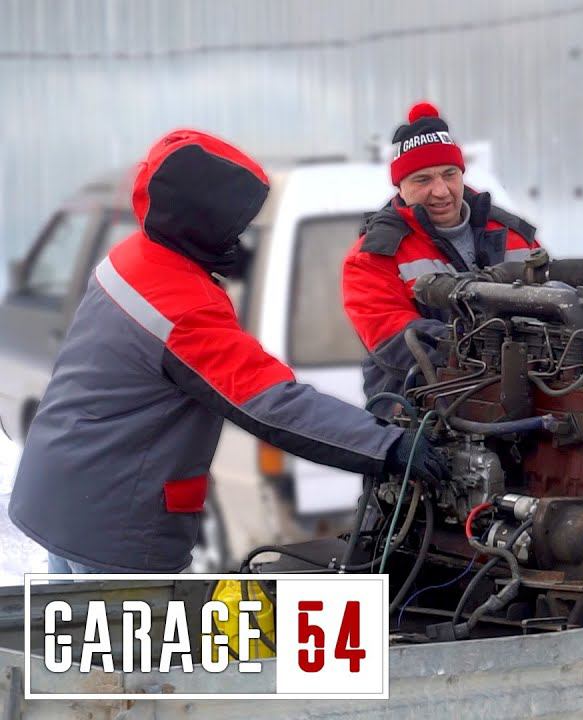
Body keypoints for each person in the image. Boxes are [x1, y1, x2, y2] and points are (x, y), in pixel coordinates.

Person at [7, 129, 445, 574]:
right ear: (202, 221)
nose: (240, 234)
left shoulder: (131, 256)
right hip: (114, 526)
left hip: (62, 495)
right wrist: (388, 444)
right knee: (132, 623)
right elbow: (272, 403)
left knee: (72, 620)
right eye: (233, 225)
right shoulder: (183, 308)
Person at [342, 101, 542, 401]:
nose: (441, 191)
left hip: (524, 400)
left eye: (449, 174)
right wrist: (483, 349)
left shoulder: (514, 235)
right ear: (400, 187)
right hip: (419, 407)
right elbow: (393, 339)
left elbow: (554, 295)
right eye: (423, 179)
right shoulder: (373, 256)